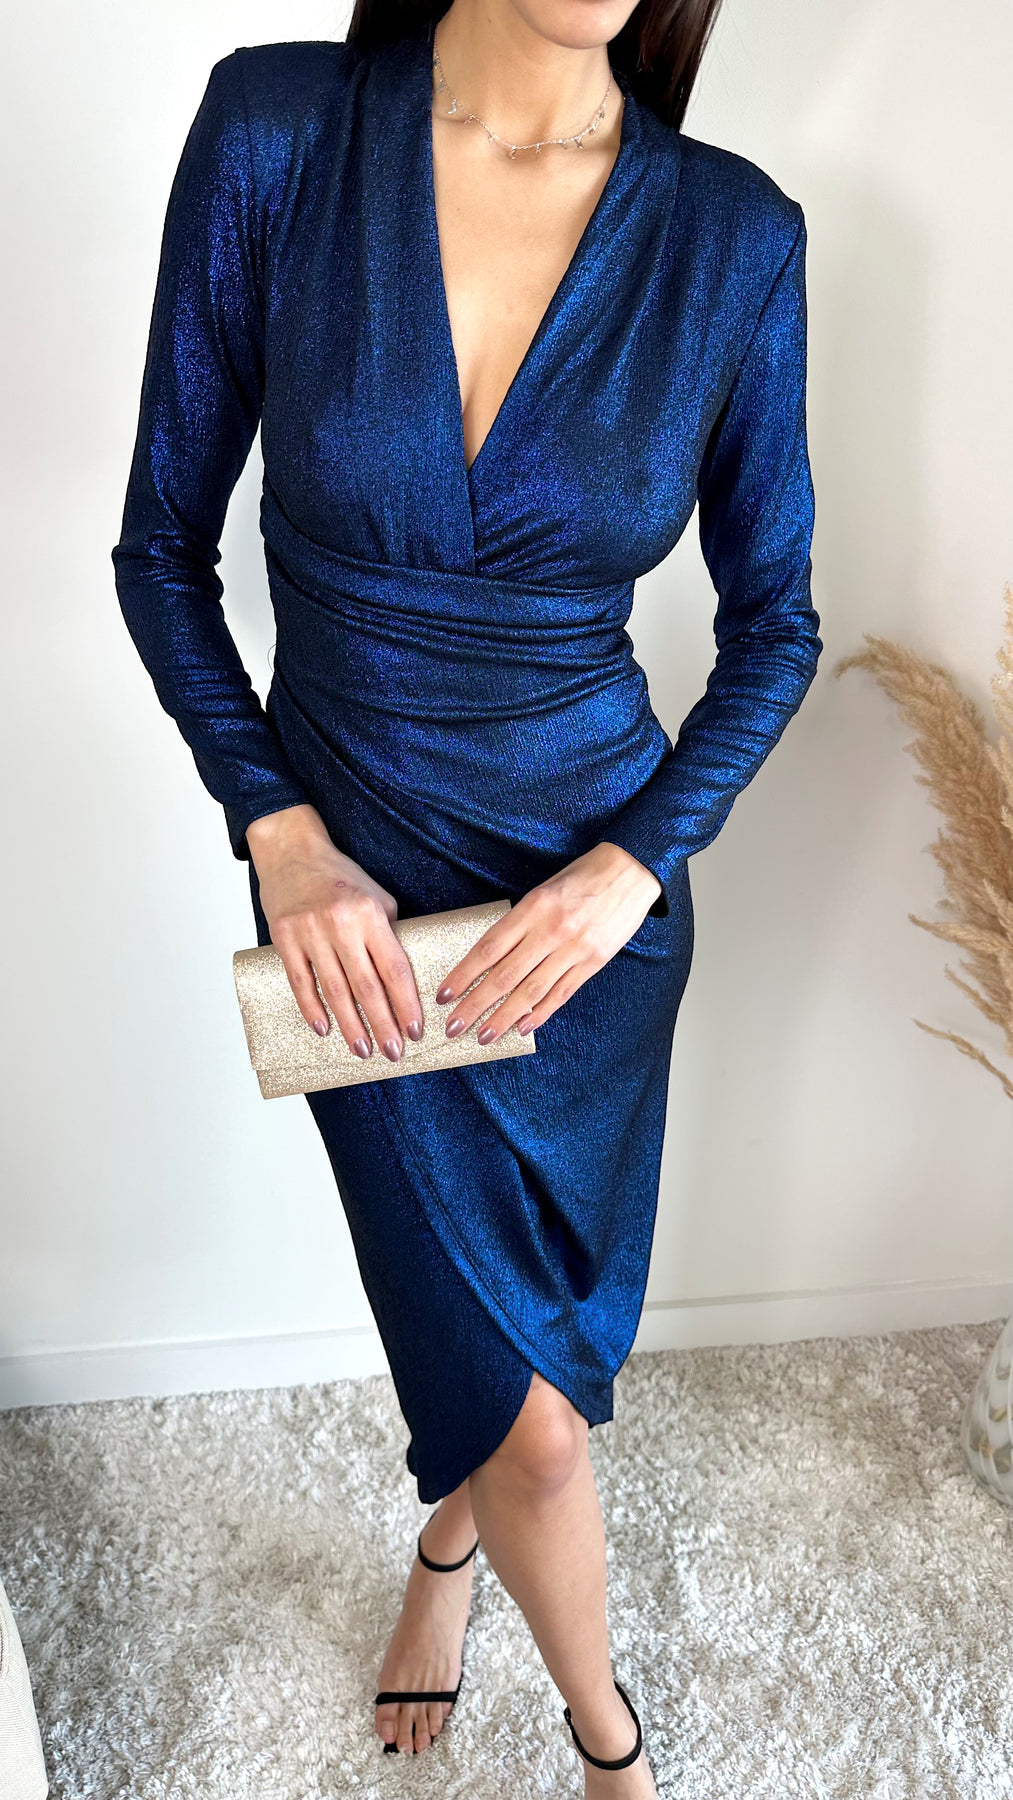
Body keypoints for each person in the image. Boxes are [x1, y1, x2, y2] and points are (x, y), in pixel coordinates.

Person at [111, 0, 821, 1788]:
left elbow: (775, 627)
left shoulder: (733, 233)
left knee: (542, 1367)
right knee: (538, 1431)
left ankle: (446, 1548)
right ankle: (610, 1749)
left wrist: (631, 865)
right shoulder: (278, 134)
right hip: (357, 919)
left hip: (587, 927)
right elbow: (161, 551)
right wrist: (278, 830)